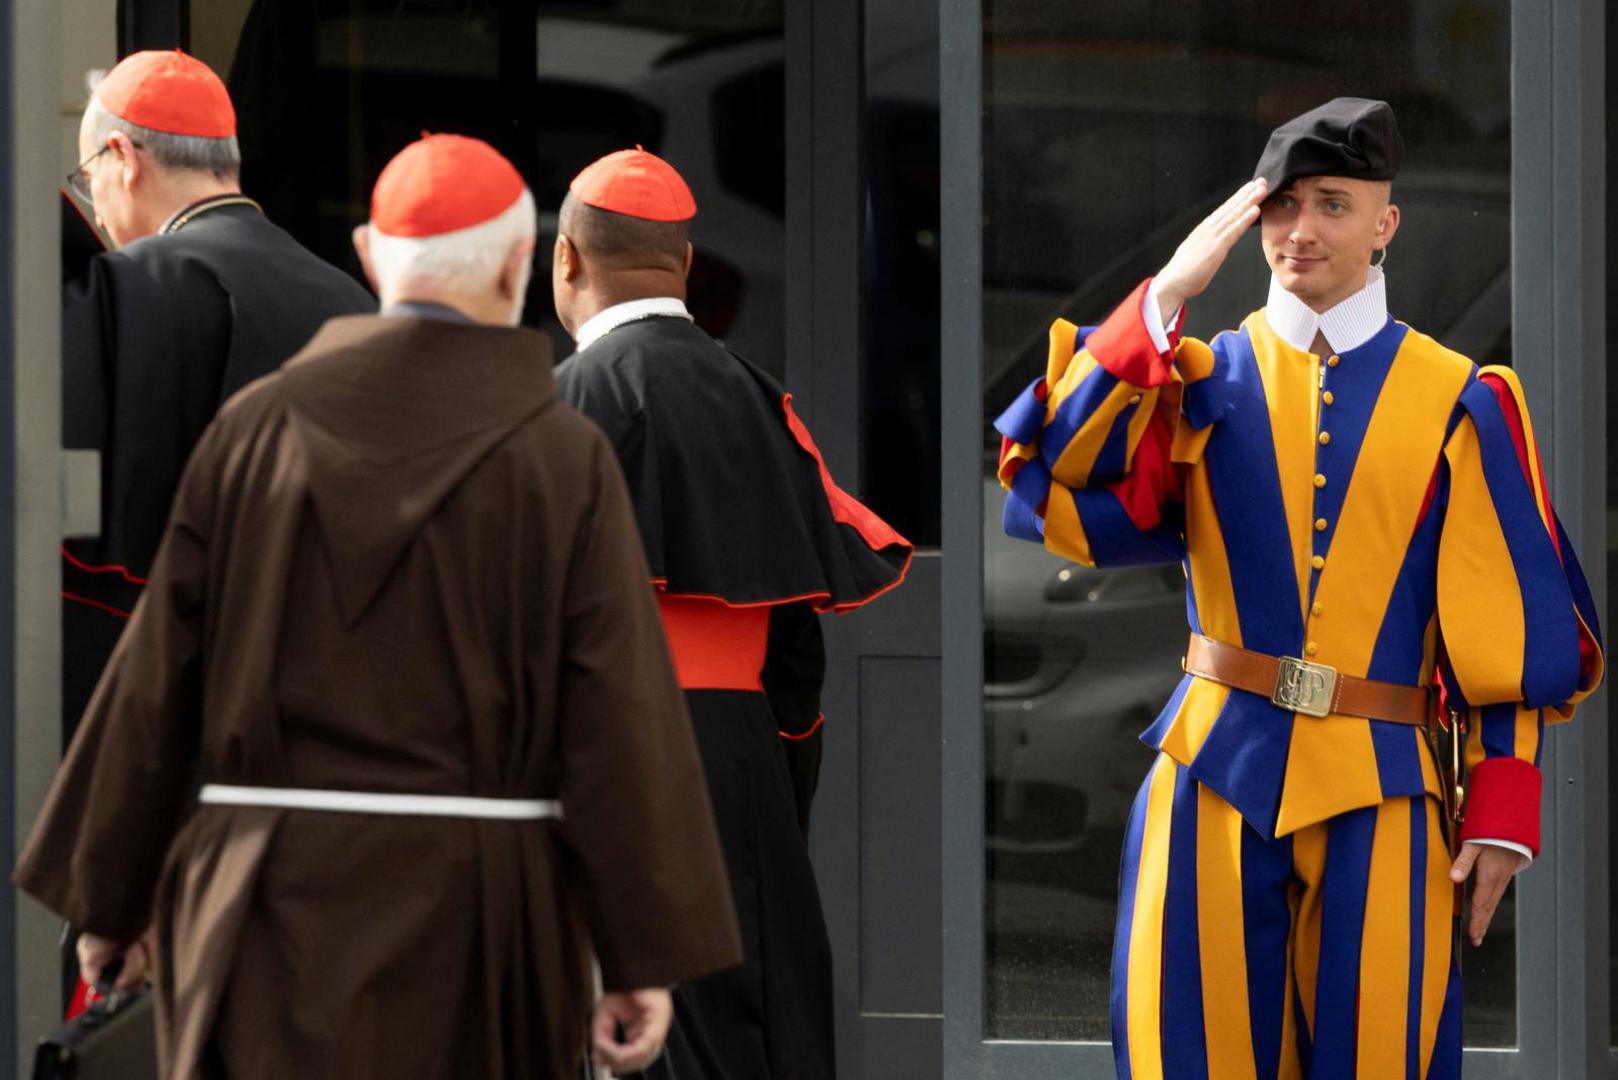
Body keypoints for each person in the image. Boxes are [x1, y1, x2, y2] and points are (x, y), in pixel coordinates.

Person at [17, 132, 742, 1078]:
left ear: (368, 256)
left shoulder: (253, 433)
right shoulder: (562, 462)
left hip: (266, 911)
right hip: (483, 923)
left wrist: (113, 901)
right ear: (523, 264)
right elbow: (615, 712)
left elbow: (159, 676)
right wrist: (643, 955)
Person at [995, 98, 1603, 1077]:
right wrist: (1164, 298)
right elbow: (1055, 474)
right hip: (1208, 774)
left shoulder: (1460, 400)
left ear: (1383, 223)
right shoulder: (1192, 378)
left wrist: (1502, 808)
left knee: (1383, 1059)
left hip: (1389, 787)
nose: (1300, 228)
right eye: (1280, 205)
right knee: (1184, 1052)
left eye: (1331, 203)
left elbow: (1506, 628)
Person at [552, 148, 913, 1080]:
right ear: (684, 263)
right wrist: (770, 787)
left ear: (566, 260)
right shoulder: (758, 397)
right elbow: (796, 652)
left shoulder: (560, 405)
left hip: (601, 756)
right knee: (751, 1030)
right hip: (739, 761)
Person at [60, 49, 374, 740]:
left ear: (123, 156)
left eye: (89, 181)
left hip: (164, 703)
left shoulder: (120, 292)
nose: (98, 209)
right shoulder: (349, 297)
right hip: (323, 697)